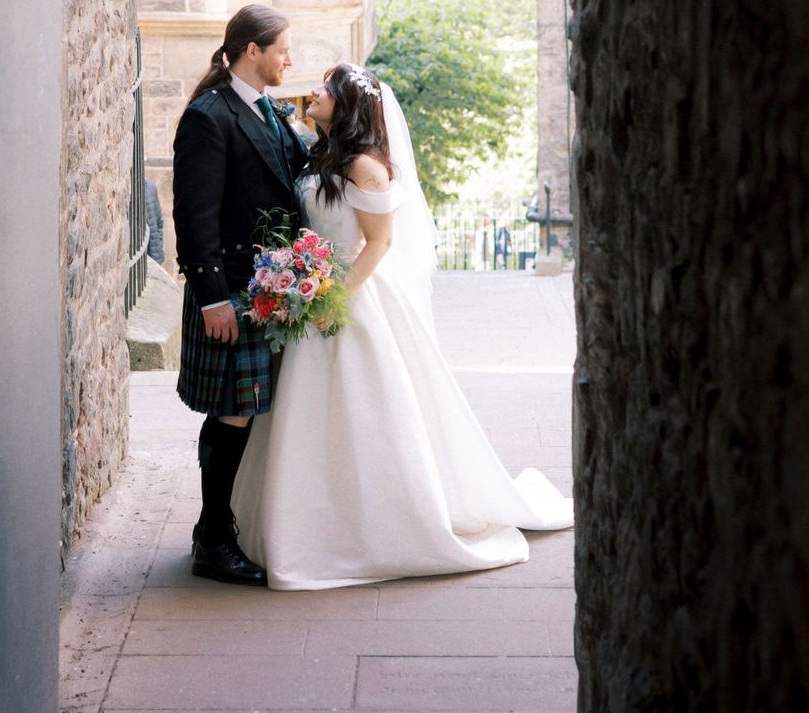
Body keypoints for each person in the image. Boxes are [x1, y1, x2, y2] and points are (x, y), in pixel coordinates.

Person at [232, 62, 573, 589]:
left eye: (326, 89)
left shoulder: (368, 165)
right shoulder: (320, 154)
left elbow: (379, 244)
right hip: (316, 290)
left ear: (346, 105)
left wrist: (331, 300)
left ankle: (384, 525)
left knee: (370, 411)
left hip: (355, 299)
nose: (313, 93)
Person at [170, 4, 309, 586]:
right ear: (252, 50)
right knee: (231, 413)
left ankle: (216, 529)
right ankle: (213, 541)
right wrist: (212, 298)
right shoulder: (210, 116)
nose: (288, 59)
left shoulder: (269, 112)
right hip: (230, 289)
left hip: (266, 288)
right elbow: (193, 215)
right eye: (281, 49)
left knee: (240, 414)